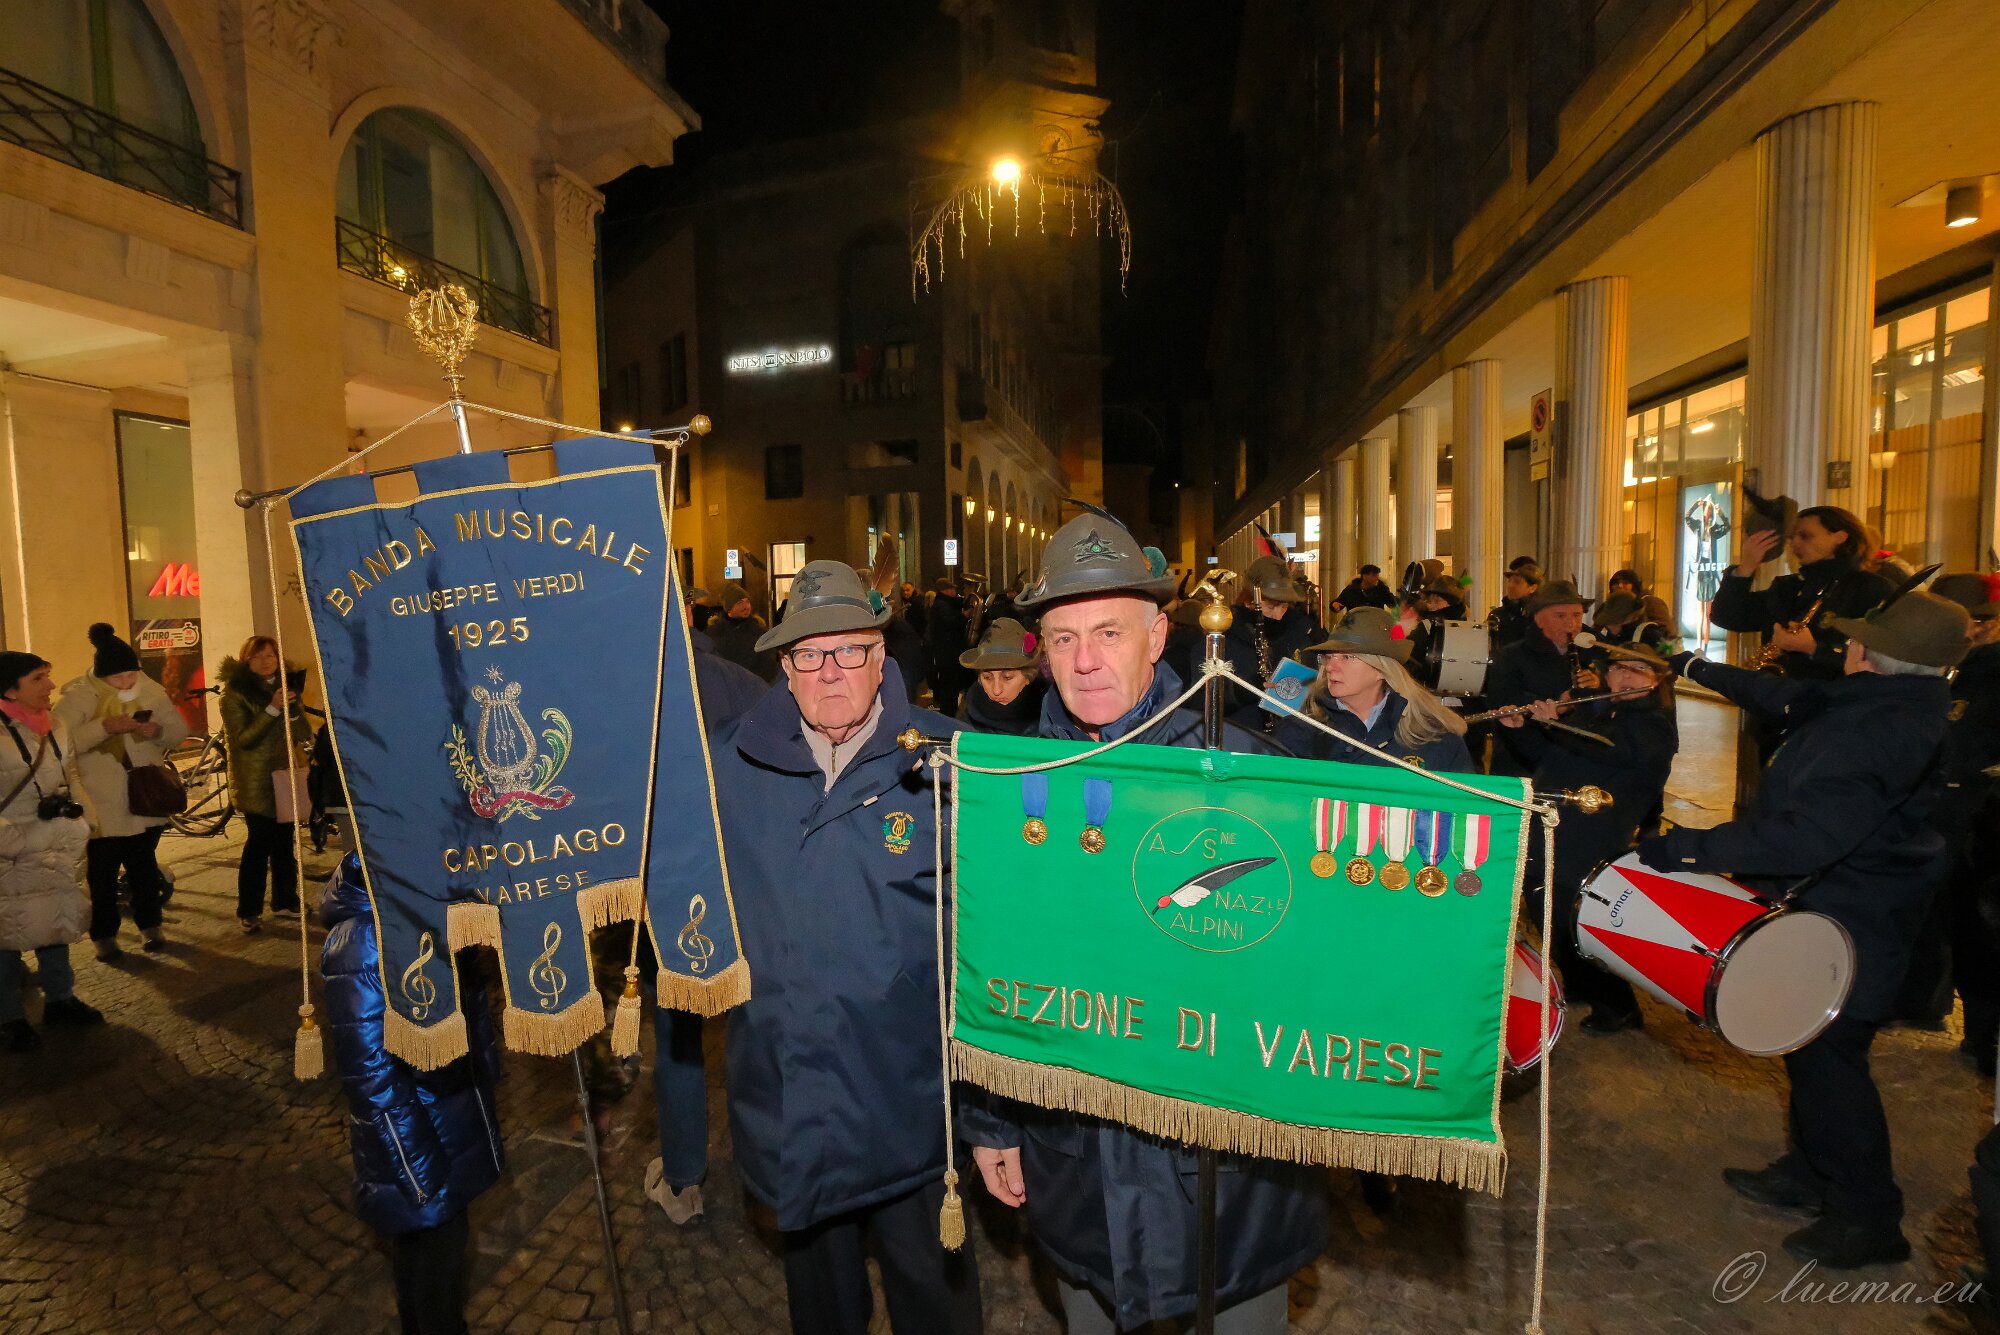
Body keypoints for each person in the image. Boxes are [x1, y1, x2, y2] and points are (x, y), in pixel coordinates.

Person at [964, 512, 1326, 1335]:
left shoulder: (1250, 776)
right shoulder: (1013, 789)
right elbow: (990, 965)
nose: (1085, 660)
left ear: (1158, 636)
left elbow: (1312, 973)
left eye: (1108, 632)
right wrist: (990, 1120)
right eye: (1063, 639)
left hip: (1228, 1177)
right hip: (1077, 1163)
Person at [1638, 590, 1968, 1268]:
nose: (1843, 645)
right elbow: (1780, 695)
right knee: (1807, 1048)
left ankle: (1867, 1216)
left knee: (1830, 1062)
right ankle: (1812, 1169)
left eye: (1855, 638)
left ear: (1868, 654)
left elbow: (1808, 837)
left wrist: (1689, 848)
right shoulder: (1884, 702)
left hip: (1850, 919)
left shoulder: (1875, 729)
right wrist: (1695, 666)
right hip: (1845, 905)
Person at [711, 560, 980, 1335]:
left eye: (850, 649)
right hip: (795, 1101)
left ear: (880, 654)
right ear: (784, 666)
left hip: (913, 1105)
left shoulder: (950, 759)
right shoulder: (726, 765)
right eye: (809, 653)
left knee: (935, 1304)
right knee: (823, 1310)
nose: (830, 669)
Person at [321, 854, 503, 1335]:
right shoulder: (366, 938)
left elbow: (465, 1005)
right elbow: (371, 1075)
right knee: (435, 1263)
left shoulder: (421, 903)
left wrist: (483, 1073)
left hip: (446, 1122)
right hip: (416, 1142)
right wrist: (417, 1167)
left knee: (428, 1256)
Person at [637, 586, 766, 1226]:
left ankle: (686, 1178)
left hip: (670, 894)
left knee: (679, 1041)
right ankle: (769, 1170)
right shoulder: (744, 684)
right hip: (748, 888)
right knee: (755, 1029)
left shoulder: (629, 695)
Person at [1504, 643, 1679, 1033]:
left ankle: (1618, 1006)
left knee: (1574, 927)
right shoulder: (1600, 713)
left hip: (1590, 841)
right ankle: (1581, 985)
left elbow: (1605, 750)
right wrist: (1522, 728)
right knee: (1548, 920)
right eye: (1618, 668)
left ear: (1657, 681)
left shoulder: (1654, 727)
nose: (1625, 675)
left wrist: (1555, 724)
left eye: (1637, 669)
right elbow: (1550, 758)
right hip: (1553, 829)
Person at [1892, 574, 2000, 1048]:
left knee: (1975, 923)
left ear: (1983, 625)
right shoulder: (1953, 664)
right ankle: (1921, 1000)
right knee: (1932, 907)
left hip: (1979, 813)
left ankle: (1983, 1034)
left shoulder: (1991, 670)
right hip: (1939, 803)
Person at [53, 624, 188, 959]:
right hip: (102, 802)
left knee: (144, 869)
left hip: (144, 797)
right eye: (118, 677)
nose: (127, 682)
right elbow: (59, 744)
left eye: (131, 675)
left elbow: (178, 732)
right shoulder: (79, 698)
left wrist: (157, 731)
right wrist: (104, 727)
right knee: (102, 875)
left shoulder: (151, 690)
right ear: (101, 676)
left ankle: (151, 927)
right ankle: (104, 936)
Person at [0, 651, 98, 1051]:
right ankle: (9, 1017)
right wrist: (13, 840)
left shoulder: (56, 725)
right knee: (7, 935)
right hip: (10, 855)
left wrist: (84, 820)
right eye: (38, 678)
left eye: (48, 676)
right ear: (10, 689)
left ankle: (60, 999)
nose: (51, 686)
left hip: (56, 844)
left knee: (55, 923)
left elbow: (70, 775)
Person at [1275, 606, 1472, 772]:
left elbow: (1462, 803)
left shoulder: (1435, 739)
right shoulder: (1300, 732)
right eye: (1328, 657)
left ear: (1381, 669)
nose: (1330, 667)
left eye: (1347, 657)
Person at [1709, 504, 1890, 682]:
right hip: (1777, 695)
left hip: (1834, 697)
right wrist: (1745, 569)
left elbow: (1883, 663)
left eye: (1805, 536)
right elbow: (1727, 617)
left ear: (1840, 537)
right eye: (1792, 537)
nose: (1794, 543)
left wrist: (1813, 649)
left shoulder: (1870, 587)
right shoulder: (1787, 587)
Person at [219, 636, 309, 934]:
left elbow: (302, 732)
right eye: (257, 656)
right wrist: (272, 709)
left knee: (284, 843)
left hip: (286, 776)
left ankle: (285, 900)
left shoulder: (285, 686)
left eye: (270, 655)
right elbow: (244, 740)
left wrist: (294, 709)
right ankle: (249, 910)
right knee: (258, 845)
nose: (265, 661)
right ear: (246, 661)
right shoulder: (234, 695)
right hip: (255, 781)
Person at [1483, 581, 1597, 778]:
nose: (1571, 624)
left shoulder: (1591, 653)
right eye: (1560, 616)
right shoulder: (1511, 655)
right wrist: (1559, 705)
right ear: (1539, 619)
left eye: (1577, 615)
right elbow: (1500, 702)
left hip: (1570, 763)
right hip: (1520, 766)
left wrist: (1597, 688)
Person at [1224, 554, 1326, 730]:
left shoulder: (1301, 629)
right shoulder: (1227, 637)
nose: (1279, 615)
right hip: (1242, 734)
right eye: (1271, 606)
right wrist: (1243, 690)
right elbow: (1200, 700)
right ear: (1249, 602)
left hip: (1294, 732)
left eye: (1284, 606)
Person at [957, 618, 1045, 736]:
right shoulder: (968, 710)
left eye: (1007, 677)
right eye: (987, 677)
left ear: (1028, 677)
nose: (996, 690)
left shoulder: (1052, 716)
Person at [706, 582, 778, 682]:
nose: (746, 607)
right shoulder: (713, 634)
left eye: (747, 602)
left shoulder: (759, 633)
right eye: (739, 603)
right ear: (729, 608)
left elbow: (769, 665)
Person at [924, 576, 972, 717]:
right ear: (946, 590)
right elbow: (951, 623)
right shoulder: (941, 606)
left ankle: (950, 712)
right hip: (949, 653)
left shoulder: (945, 604)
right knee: (950, 687)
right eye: (952, 588)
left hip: (949, 652)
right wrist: (965, 616)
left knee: (952, 686)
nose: (955, 591)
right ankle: (949, 715)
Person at [1489, 563, 1542, 651]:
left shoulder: (1539, 616)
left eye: (1517, 582)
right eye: (1509, 581)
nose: (1510, 586)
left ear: (1532, 588)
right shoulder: (1496, 615)